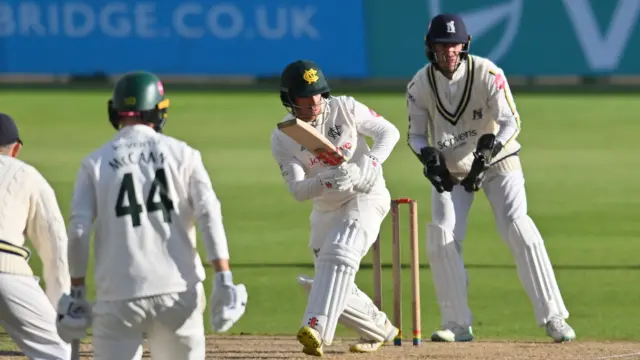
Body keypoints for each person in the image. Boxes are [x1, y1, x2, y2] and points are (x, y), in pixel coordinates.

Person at [406, 13, 576, 343]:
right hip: (452, 167)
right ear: (430, 48)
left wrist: (489, 149)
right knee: (441, 236)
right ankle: (456, 323)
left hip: (499, 161)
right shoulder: (419, 85)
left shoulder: (488, 73)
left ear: (464, 45)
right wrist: (429, 158)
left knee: (517, 225)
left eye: (454, 45)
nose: (448, 52)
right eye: (441, 45)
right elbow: (415, 135)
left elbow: (511, 122)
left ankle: (554, 317)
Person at [55, 71, 248, 360]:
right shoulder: (183, 154)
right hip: (178, 290)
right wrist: (223, 275)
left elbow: (79, 230)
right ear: (158, 111)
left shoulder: (94, 163)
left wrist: (78, 290)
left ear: (115, 111)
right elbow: (209, 212)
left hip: (118, 293)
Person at [270, 59, 401, 356]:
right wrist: (330, 180)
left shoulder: (344, 107)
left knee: (340, 254)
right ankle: (381, 328)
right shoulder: (283, 137)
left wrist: (370, 162)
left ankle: (315, 328)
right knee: (328, 279)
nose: (315, 103)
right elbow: (298, 191)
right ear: (290, 99)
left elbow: (388, 132)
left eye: (318, 94)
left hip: (366, 195)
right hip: (326, 209)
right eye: (306, 97)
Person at [0, 113, 72, 359]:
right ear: (16, 148)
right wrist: (57, 312)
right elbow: (56, 248)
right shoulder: (27, 174)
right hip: (6, 272)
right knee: (58, 352)